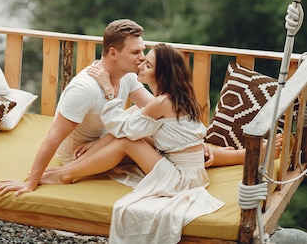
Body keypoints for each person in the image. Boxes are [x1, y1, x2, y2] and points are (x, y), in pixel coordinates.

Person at [39, 43, 224, 244]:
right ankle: (70, 170)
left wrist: (109, 90)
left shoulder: (160, 103)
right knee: (130, 131)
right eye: (143, 60)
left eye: (148, 65)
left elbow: (121, 128)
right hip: (190, 172)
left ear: (161, 74)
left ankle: (65, 175)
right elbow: (135, 127)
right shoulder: (172, 99)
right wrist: (98, 143)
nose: (141, 64)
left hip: (180, 180)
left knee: (126, 143)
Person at [0, 18, 152, 196]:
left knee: (144, 123)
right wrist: (31, 183)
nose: (142, 57)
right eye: (135, 52)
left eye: (143, 51)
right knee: (139, 142)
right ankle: (62, 175)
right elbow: (53, 138)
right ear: (113, 53)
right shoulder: (85, 88)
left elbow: (154, 109)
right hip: (78, 157)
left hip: (104, 142)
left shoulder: (127, 76)